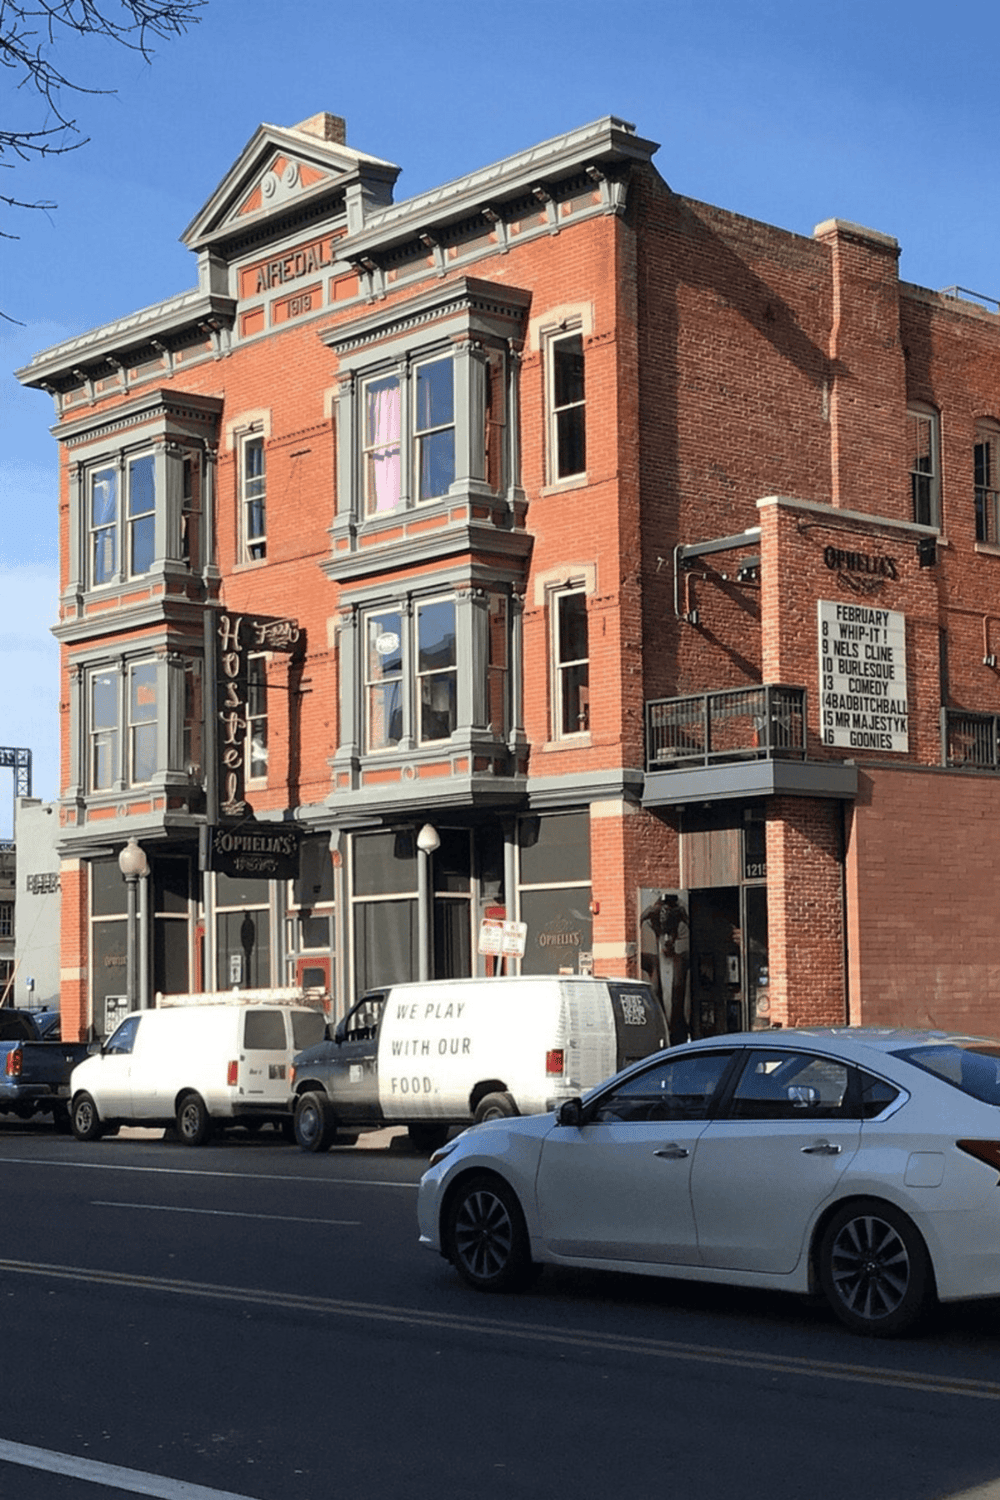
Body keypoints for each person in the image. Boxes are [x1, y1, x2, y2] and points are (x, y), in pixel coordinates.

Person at [640, 891, 690, 1046]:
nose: (667, 939)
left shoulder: (682, 960)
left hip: (677, 1030)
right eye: (663, 935)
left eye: (671, 934)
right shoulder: (651, 961)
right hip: (661, 1031)